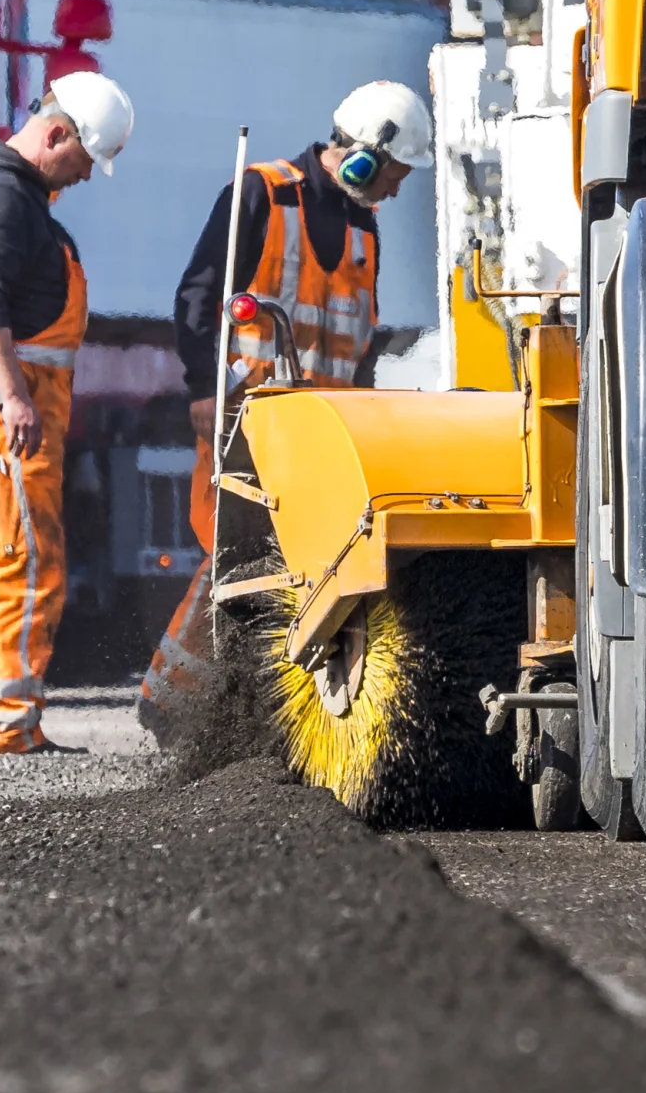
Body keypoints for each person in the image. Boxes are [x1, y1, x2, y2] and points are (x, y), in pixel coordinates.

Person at [136, 78, 431, 739]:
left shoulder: (363, 231)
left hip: (324, 440)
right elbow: (196, 297)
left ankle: (267, 718)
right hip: (251, 425)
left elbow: (358, 346)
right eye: (399, 174)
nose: (399, 190)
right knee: (234, 561)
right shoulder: (261, 193)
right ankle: (173, 706)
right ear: (366, 157)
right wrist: (204, 390)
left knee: (309, 574)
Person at [0, 69, 133, 756]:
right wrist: (14, 395)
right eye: (79, 161)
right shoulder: (2, 199)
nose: (78, 177)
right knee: (23, 560)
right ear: (54, 133)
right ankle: (8, 728)